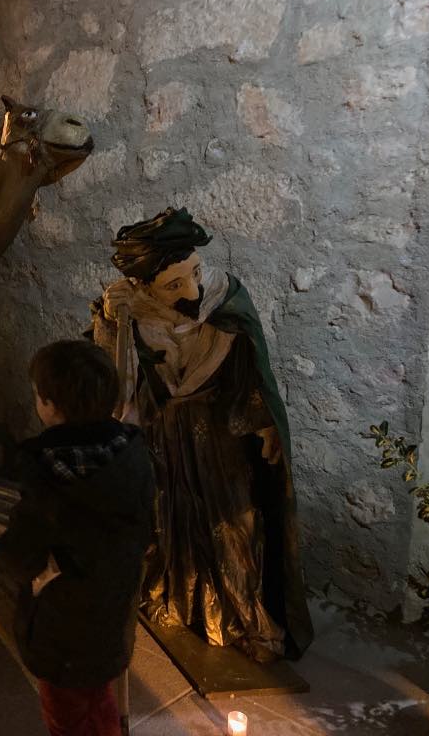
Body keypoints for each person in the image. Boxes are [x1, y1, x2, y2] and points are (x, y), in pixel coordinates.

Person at [92, 207, 313, 662]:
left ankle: (248, 618)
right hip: (164, 435)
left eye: (194, 273)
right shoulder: (129, 312)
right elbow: (114, 387)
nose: (191, 290)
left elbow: (253, 371)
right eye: (174, 284)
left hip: (218, 433)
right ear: (144, 285)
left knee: (235, 522)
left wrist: (266, 423)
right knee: (170, 520)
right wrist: (113, 325)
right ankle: (179, 603)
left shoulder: (224, 298)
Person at [0, 340, 155, 736]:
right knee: (97, 695)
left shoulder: (48, 477)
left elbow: (19, 553)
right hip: (112, 612)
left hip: (62, 630)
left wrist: (13, 558)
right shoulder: (131, 456)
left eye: (37, 396)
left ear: (50, 405)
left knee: (65, 715)